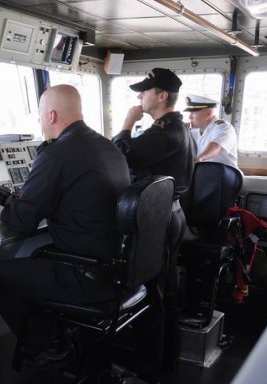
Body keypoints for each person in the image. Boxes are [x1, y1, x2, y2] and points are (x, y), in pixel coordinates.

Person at [0, 84, 131, 365]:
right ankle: (62, 334)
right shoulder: (108, 147)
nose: (39, 120)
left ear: (51, 115)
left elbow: (20, 221)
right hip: (120, 270)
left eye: (39, 114)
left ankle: (48, 346)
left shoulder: (55, 154)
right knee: (37, 255)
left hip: (86, 275)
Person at [112, 68, 196, 381]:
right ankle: (166, 362)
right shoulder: (177, 128)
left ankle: (148, 370)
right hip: (171, 215)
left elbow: (120, 154)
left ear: (162, 96)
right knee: (166, 292)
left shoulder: (164, 132)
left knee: (152, 294)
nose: (140, 96)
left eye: (145, 91)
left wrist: (127, 123)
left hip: (158, 220)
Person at [185, 94, 238, 167]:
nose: (190, 117)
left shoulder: (224, 127)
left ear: (208, 113)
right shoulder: (193, 132)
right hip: (205, 172)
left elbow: (216, 146)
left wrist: (199, 158)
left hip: (225, 172)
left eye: (193, 112)